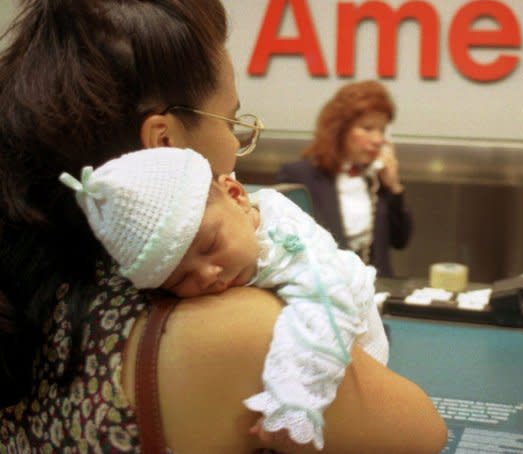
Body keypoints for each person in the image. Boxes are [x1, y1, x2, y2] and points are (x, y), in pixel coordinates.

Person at [0, 0, 447, 453]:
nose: (235, 149)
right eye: (230, 123)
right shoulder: (243, 331)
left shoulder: (28, 295)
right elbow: (423, 435)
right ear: (165, 142)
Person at [59, 146, 389, 450]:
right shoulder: (230, 230)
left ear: (236, 195)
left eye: (210, 246)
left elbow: (326, 312)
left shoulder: (292, 247)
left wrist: (294, 401)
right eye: (180, 278)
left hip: (356, 339)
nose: (207, 274)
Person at [276, 80, 412, 278]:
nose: (377, 140)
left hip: (375, 292)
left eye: (382, 130)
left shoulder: (375, 179)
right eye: (367, 128)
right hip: (323, 290)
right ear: (340, 129)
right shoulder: (299, 176)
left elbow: (401, 240)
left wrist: (394, 186)